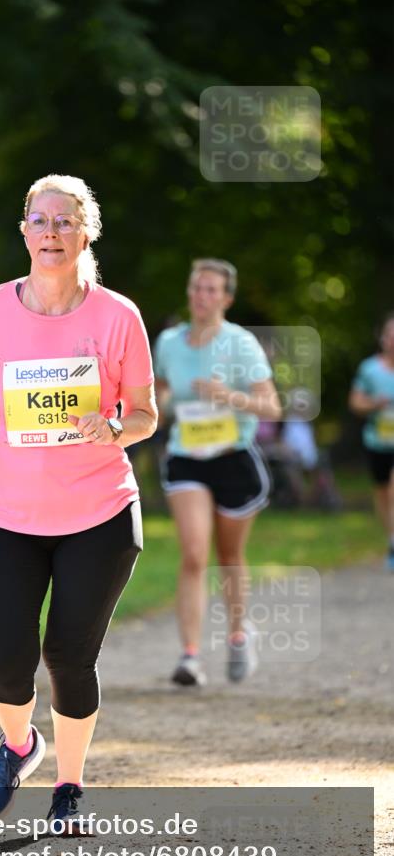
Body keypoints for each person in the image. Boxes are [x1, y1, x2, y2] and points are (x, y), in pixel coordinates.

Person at [0, 174, 157, 832]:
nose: (52, 232)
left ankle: (68, 788)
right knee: (6, 660)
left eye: (65, 221)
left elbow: (145, 412)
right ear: (24, 231)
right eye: (40, 220)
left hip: (99, 513)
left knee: (67, 655)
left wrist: (115, 427)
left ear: (84, 233)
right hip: (5, 514)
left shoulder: (118, 316)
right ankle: (17, 745)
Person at [153, 258, 282, 687]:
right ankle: (190, 656)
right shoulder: (169, 342)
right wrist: (162, 401)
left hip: (233, 458)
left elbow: (272, 406)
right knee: (194, 554)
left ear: (226, 298)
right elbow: (159, 392)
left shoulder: (241, 344)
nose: (201, 296)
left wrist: (230, 396)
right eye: (196, 287)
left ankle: (239, 634)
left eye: (211, 290)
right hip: (187, 455)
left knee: (228, 557)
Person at [348, 312, 394, 571]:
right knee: (383, 493)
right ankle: (392, 539)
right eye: (390, 335)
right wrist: (373, 404)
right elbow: (355, 402)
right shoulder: (369, 369)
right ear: (383, 338)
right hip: (378, 441)